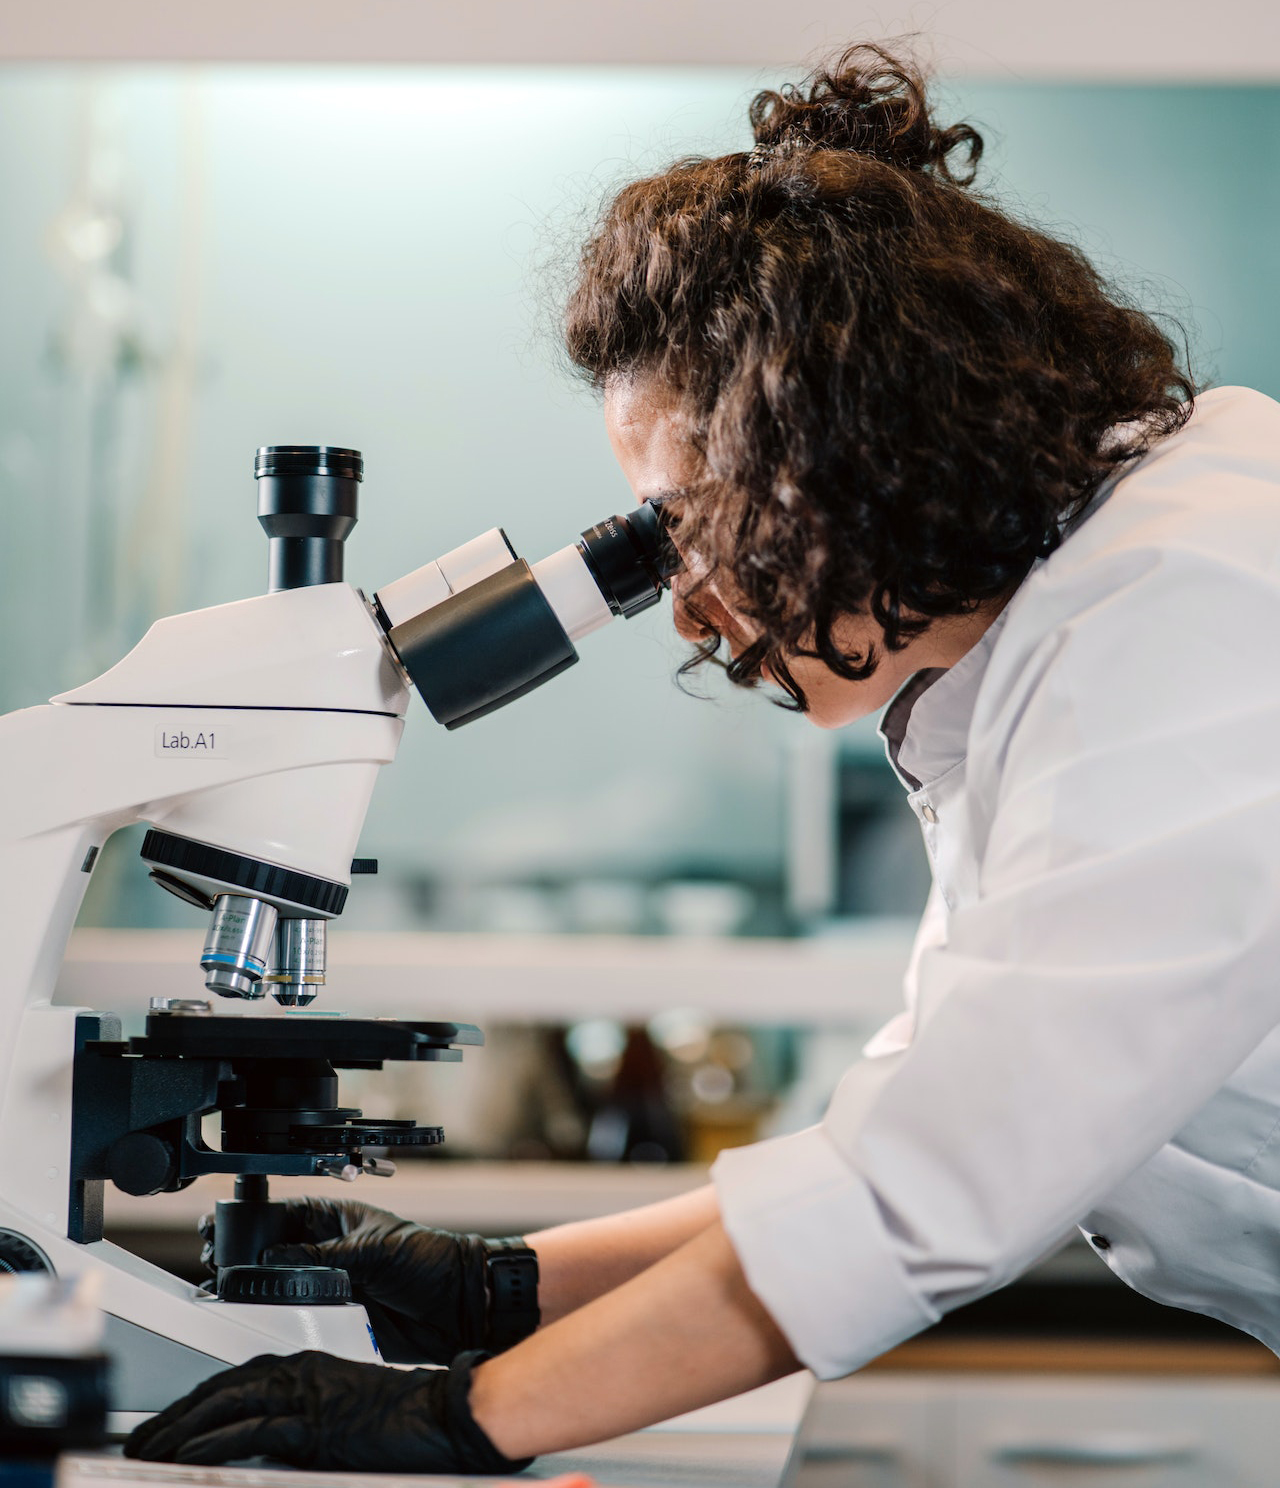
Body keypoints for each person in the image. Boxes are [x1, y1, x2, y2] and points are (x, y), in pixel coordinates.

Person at [127, 44, 1280, 1471]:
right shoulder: (1054, 635)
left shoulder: (1195, 612)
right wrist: (508, 1288)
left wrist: (462, 1419)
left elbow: (933, 1190)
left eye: (691, 522)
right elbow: (930, 1118)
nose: (683, 602)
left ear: (855, 445)